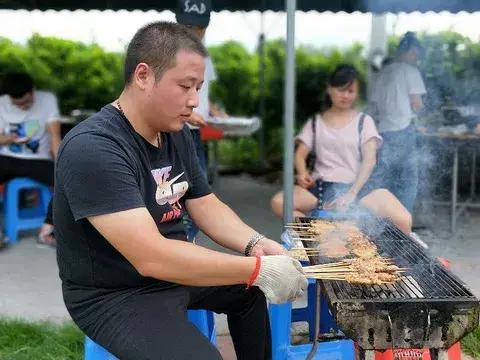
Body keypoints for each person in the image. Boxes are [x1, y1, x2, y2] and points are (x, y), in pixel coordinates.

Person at [54, 22, 307, 360]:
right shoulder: (95, 147)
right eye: (185, 86)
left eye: (199, 88)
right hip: (116, 293)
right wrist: (257, 269)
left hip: (171, 269)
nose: (194, 101)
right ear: (143, 76)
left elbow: (204, 203)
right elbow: (151, 256)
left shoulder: (175, 132)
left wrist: (256, 245)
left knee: (249, 293)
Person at [271, 64, 412, 234]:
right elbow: (300, 154)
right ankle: (320, 235)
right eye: (341, 89)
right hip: (321, 189)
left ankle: (372, 250)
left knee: (403, 219)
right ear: (329, 89)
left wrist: (352, 192)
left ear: (356, 94)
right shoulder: (316, 122)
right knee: (279, 203)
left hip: (358, 187)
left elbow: (370, 160)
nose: (345, 95)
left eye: (351, 91)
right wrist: (302, 173)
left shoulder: (364, 121)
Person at [0, 72, 61, 248]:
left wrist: (63, 164)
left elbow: (55, 137)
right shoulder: (1, 103)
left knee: (66, 179)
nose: (24, 107)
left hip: (38, 160)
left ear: (33, 91)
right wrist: (10, 138)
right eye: (18, 105)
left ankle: (47, 231)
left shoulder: (47, 100)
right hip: (7, 157)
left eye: (27, 103)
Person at [368, 32, 427, 213]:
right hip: (402, 131)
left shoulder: (384, 72)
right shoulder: (410, 71)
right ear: (410, 51)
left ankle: (373, 220)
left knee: (381, 180)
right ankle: (402, 224)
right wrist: (425, 115)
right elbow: (416, 104)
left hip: (382, 132)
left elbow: (375, 106)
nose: (416, 59)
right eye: (416, 54)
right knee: (407, 181)